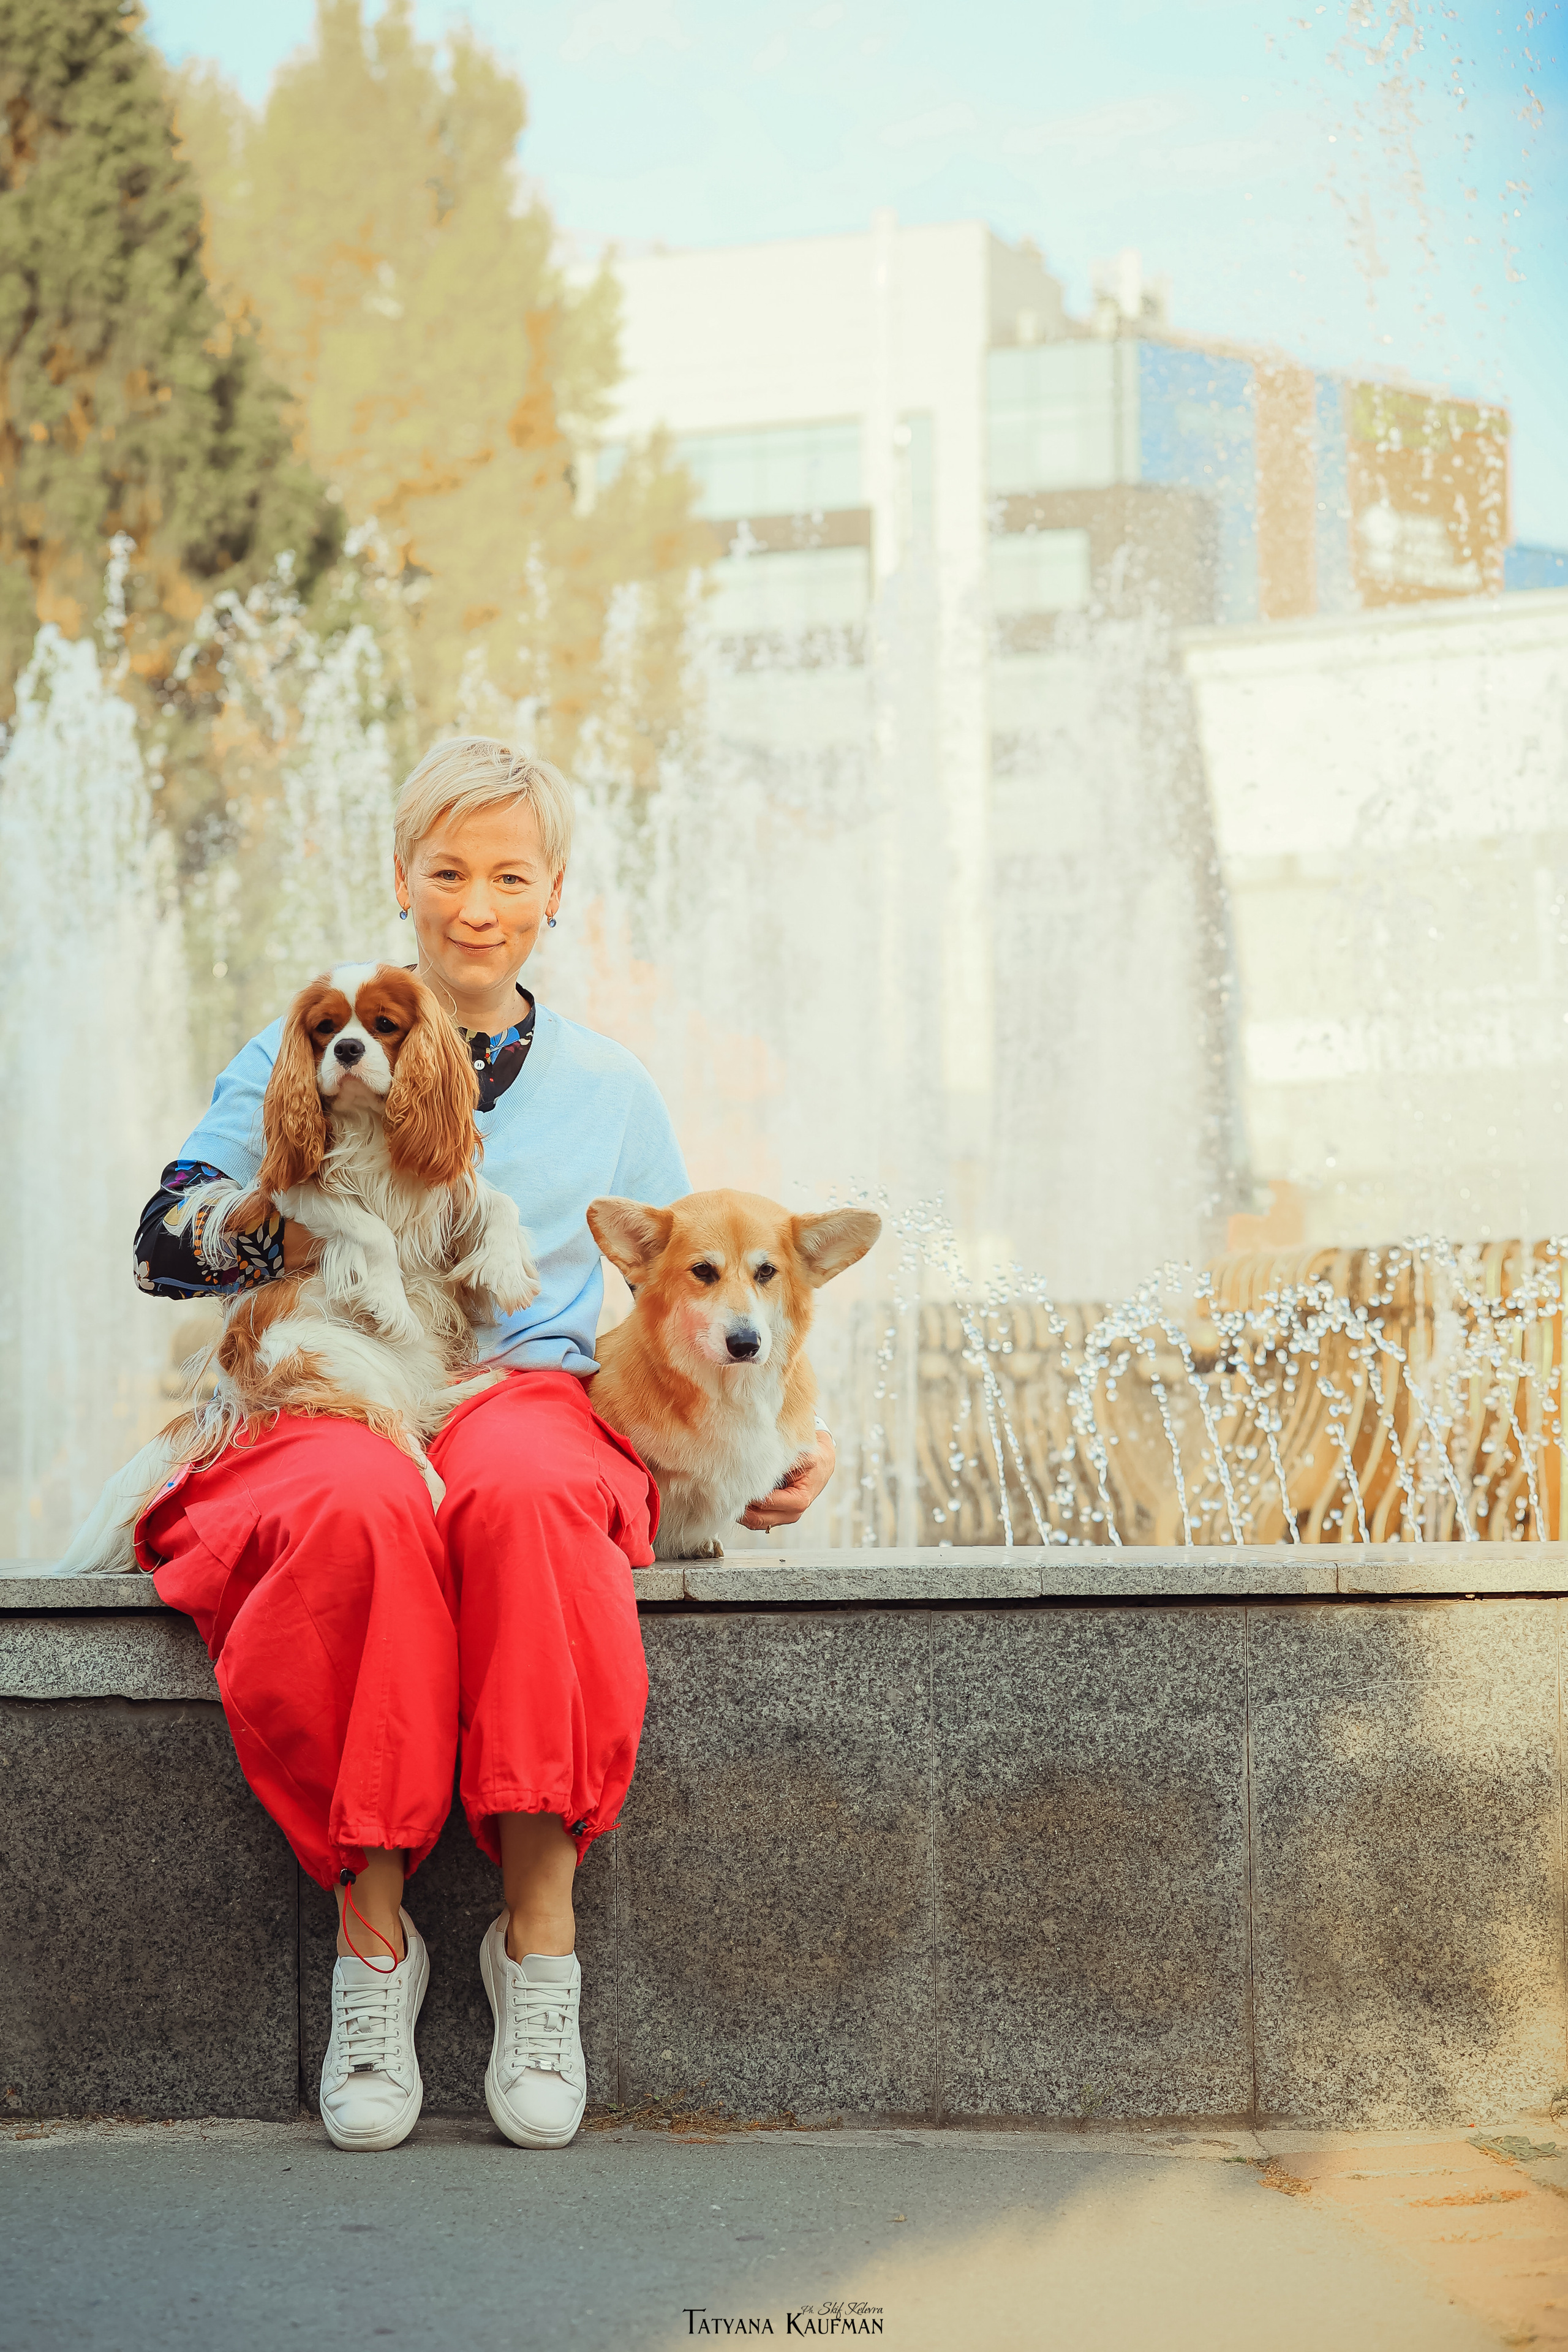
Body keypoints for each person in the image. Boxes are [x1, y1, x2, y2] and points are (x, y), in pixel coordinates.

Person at [131, 736, 836, 2153]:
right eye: (446, 870)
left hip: (527, 1392)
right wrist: (296, 1202)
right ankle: (374, 1952)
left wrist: (772, 1448)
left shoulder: (610, 1090)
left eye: (509, 875)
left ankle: (540, 1944)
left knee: (521, 1489)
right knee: (355, 1506)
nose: (474, 903)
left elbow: (708, 1292)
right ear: (401, 877)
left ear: (554, 893)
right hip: (336, 1384)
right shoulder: (313, 1041)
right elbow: (164, 1245)